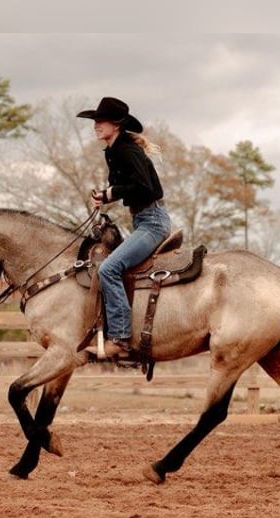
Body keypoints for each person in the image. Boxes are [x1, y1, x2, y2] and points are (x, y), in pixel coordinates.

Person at [77, 96, 172, 359]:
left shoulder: (127, 150)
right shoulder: (114, 149)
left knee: (109, 268)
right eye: (94, 120)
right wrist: (106, 196)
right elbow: (131, 187)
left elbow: (148, 188)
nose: (95, 125)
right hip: (143, 220)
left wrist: (111, 193)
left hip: (152, 222)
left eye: (100, 120)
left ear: (116, 124)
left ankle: (118, 339)